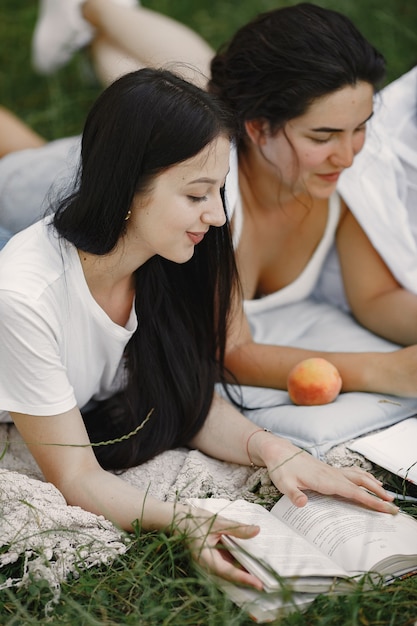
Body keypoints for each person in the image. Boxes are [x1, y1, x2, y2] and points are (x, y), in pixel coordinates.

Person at [1, 68, 397, 590]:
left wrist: (277, 451)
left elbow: (185, 393)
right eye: (195, 195)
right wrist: (185, 519)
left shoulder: (169, 253)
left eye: (219, 190)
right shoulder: (25, 297)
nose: (215, 215)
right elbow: (75, 477)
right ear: (126, 188)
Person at [3, 0, 416, 403]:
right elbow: (226, 351)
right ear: (257, 128)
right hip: (65, 178)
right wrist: (385, 371)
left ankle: (93, 10)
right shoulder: (208, 202)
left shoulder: (333, 176)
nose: (348, 155)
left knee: (199, 82)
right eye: (321, 137)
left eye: (360, 127)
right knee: (13, 168)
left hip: (191, 139)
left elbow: (375, 298)